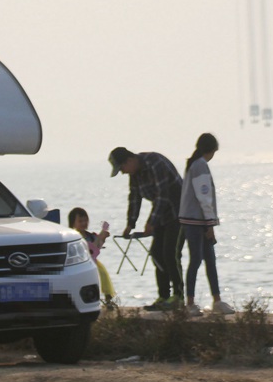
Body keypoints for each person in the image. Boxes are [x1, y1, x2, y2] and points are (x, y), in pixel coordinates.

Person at [108, 146, 184, 311]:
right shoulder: (134, 174)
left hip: (178, 212)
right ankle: (163, 296)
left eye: (122, 168)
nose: (123, 172)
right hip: (161, 215)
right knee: (156, 253)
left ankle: (178, 296)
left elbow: (163, 196)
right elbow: (134, 198)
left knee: (170, 253)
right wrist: (130, 223)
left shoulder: (155, 163)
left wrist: (151, 222)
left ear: (129, 160)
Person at [178, 133, 235, 316]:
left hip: (193, 220)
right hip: (197, 222)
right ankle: (190, 303)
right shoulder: (200, 166)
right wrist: (210, 225)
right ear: (211, 150)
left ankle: (216, 300)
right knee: (197, 260)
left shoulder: (193, 165)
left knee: (209, 260)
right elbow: (204, 197)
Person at [67, 207, 116, 306]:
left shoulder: (90, 236)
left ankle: (108, 299)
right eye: (80, 221)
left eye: (85, 220)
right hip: (77, 263)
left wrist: (102, 238)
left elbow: (96, 249)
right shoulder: (71, 236)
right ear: (73, 223)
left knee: (103, 274)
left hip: (92, 262)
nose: (84, 223)